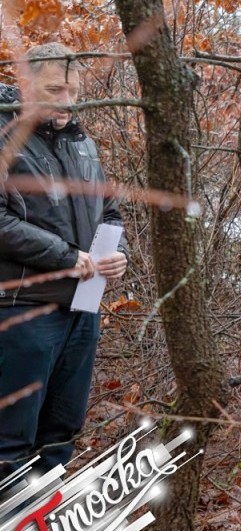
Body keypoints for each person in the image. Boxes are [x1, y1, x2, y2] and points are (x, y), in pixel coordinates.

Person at [0, 43, 127, 479]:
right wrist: (68, 256)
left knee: (60, 434)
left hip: (82, 310)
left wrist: (114, 255)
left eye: (73, 89)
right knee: (10, 440)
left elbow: (108, 211)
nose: (66, 100)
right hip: (21, 310)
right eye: (54, 88)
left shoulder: (83, 143)